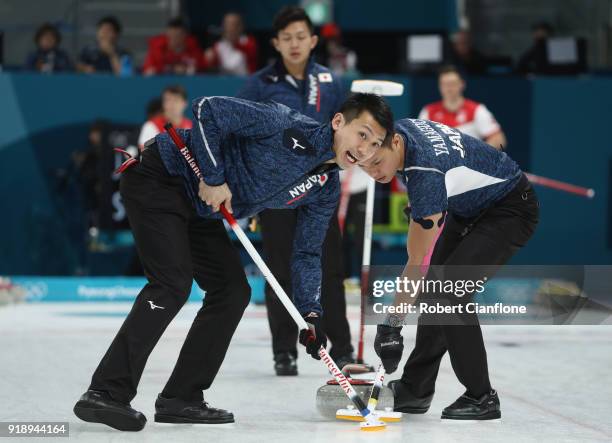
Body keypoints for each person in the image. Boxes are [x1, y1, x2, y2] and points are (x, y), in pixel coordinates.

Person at [73, 92, 394, 431]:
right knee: (172, 284)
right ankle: (105, 391)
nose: (364, 150)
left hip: (202, 208)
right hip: (161, 177)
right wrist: (212, 177)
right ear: (339, 121)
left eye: (374, 145)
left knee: (232, 291)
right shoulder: (283, 124)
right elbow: (207, 109)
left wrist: (310, 314)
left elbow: (307, 252)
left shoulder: (325, 187)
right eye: (362, 135)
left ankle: (181, 398)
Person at [359, 117, 539, 420]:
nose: (374, 173)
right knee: (435, 294)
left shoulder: (424, 174)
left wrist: (391, 325)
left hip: (509, 210)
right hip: (466, 206)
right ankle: (415, 390)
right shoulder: (397, 129)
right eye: (365, 165)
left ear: (396, 143)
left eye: (378, 162)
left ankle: (482, 397)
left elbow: (416, 262)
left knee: (448, 293)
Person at [236, 6, 354, 376]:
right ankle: (283, 350)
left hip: (320, 191)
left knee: (330, 270)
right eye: (286, 38)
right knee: (279, 272)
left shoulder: (331, 82)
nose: (294, 44)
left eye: (301, 36)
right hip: (276, 194)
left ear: (313, 40)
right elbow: (242, 133)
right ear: (275, 43)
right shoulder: (259, 84)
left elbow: (347, 131)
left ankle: (344, 347)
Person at [419, 65, 506, 150]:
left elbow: (499, 139)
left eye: (452, 83)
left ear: (462, 84)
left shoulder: (476, 110)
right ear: (439, 86)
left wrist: (478, 154)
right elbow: (419, 142)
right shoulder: (428, 112)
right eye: (444, 84)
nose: (448, 88)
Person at [142, 18, 207, 75]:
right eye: (171, 35)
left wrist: (187, 70)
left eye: (178, 36)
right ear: (167, 34)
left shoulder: (194, 50)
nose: (174, 39)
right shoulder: (157, 50)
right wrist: (171, 69)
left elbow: (202, 69)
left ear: (185, 35)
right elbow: (148, 70)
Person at [138, 85, 192, 149]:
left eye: (176, 100)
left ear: (185, 103)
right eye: (168, 100)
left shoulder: (192, 126)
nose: (172, 104)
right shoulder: (151, 125)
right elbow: (144, 153)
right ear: (163, 104)